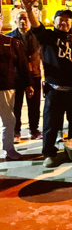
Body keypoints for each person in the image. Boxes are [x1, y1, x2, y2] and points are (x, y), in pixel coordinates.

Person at [21, 0, 72, 168]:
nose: (65, 22)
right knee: (51, 125)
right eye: (61, 19)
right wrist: (29, 10)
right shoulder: (48, 37)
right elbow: (36, 27)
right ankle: (50, 153)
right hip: (55, 90)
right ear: (54, 21)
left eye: (68, 19)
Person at [7, 11, 42, 142]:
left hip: (34, 75)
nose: (23, 21)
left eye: (25, 18)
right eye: (20, 19)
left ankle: (34, 130)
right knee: (16, 106)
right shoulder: (10, 38)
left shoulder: (37, 36)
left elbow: (43, 55)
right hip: (17, 77)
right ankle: (16, 131)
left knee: (34, 105)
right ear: (15, 21)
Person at [0, 29, 32, 161]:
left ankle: (8, 149)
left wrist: (28, 84)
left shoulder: (10, 41)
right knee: (8, 120)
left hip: (6, 88)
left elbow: (22, 65)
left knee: (8, 120)